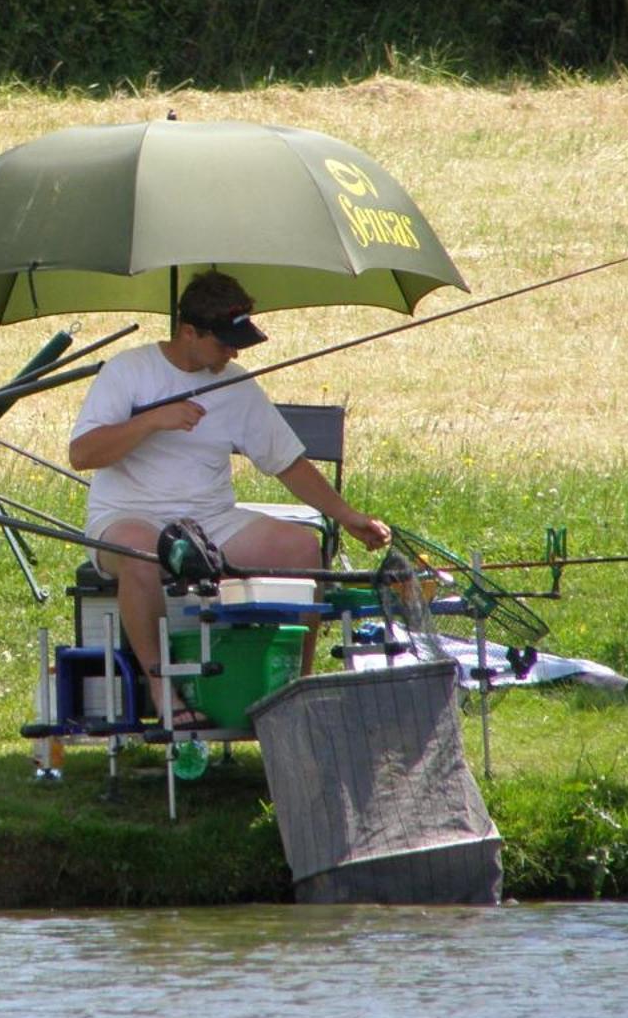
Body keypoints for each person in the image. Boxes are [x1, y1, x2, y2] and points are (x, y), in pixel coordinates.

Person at [67, 272, 391, 722]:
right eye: (224, 343)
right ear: (188, 333)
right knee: (140, 553)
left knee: (302, 549)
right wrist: (151, 421)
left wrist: (348, 515)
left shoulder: (235, 384)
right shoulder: (129, 370)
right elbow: (82, 455)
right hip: (127, 516)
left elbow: (287, 462)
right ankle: (165, 693)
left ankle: (295, 689)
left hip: (211, 520)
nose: (234, 352)